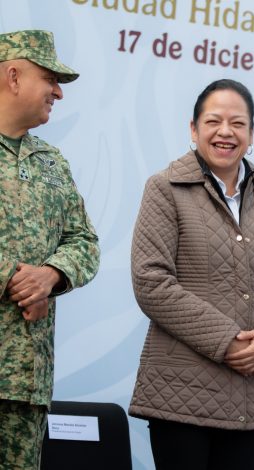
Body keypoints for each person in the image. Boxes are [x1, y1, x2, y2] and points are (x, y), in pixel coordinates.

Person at [129, 78, 254, 469]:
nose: (225, 132)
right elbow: (151, 281)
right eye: (213, 121)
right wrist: (227, 341)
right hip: (180, 395)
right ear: (193, 130)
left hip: (253, 390)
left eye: (237, 123)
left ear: (252, 134)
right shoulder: (164, 188)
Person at [0, 29, 100, 468]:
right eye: (50, 78)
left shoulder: (53, 161)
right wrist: (17, 283)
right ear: (14, 76)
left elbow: (84, 241)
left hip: (27, 379)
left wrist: (51, 276)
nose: (58, 91)